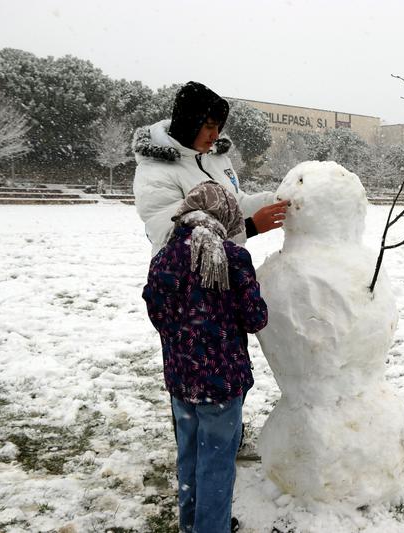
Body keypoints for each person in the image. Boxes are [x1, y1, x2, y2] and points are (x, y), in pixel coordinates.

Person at [142, 182, 268, 533]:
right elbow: (255, 318)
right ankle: (211, 527)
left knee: (190, 456)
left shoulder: (165, 256)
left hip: (180, 380)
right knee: (216, 461)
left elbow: (156, 310)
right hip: (222, 382)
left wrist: (183, 335)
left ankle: (191, 522)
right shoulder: (232, 257)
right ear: (224, 214)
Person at [132, 81, 288, 257]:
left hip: (229, 271)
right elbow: (176, 237)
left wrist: (277, 200)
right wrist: (251, 227)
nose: (215, 136)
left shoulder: (216, 159)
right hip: (184, 280)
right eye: (209, 127)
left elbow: (236, 205)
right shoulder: (155, 170)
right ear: (189, 124)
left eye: (218, 127)